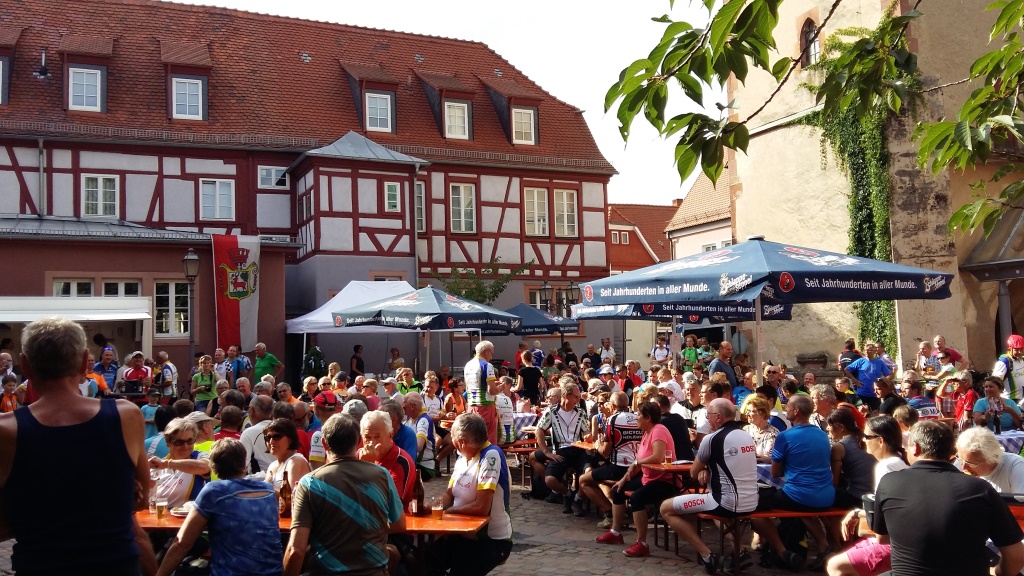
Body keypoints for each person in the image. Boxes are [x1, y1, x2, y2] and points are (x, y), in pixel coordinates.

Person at [0, 317, 155, 575]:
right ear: (85, 362)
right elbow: (139, 502)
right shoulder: (126, 416)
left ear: (24, 365)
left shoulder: (6, 431)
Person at [873, 420, 1024, 576]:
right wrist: (998, 573)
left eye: (907, 446)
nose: (964, 467)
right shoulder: (980, 489)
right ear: (951, 452)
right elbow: (1016, 555)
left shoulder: (888, 482)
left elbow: (882, 538)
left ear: (916, 448)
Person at [285, 413, 406, 576]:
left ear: (324, 443)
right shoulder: (382, 475)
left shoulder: (310, 483)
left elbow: (295, 550)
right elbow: (400, 524)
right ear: (358, 441)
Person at [155, 438, 282, 576]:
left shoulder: (215, 491)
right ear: (244, 463)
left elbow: (182, 543)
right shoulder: (268, 490)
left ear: (213, 467)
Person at [661, 398, 759, 573]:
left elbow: (693, 472)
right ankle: (740, 552)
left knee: (665, 508)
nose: (707, 420)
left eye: (708, 416)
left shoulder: (712, 439)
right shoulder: (746, 435)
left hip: (726, 502)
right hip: (752, 500)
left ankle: (707, 556)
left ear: (718, 417)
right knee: (715, 511)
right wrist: (707, 468)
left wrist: (703, 468)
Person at [751, 395, 835, 571]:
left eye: (788, 406)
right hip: (827, 495)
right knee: (803, 508)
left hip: (799, 496)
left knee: (753, 508)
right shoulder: (822, 435)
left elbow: (775, 473)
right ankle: (823, 544)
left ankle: (782, 551)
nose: (785, 409)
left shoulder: (785, 436)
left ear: (796, 411)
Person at [825, 415, 909, 576]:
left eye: (867, 436)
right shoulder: (897, 462)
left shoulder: (886, 467)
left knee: (835, 566)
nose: (863, 440)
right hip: (896, 540)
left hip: (893, 544)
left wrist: (857, 513)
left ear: (880, 441)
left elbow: (884, 514)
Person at [432, 413, 514, 576]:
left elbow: (481, 508)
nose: (451, 442)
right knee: (422, 560)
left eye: (452, 437)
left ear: (461, 441)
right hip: (462, 535)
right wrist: (432, 507)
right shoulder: (462, 457)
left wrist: (448, 513)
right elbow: (450, 495)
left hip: (490, 541)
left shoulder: (491, 455)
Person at [596, 401, 679, 558]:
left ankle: (642, 543)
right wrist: (624, 479)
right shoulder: (647, 432)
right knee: (617, 490)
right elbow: (640, 462)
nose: (636, 418)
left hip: (665, 480)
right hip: (649, 477)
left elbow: (657, 456)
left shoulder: (658, 430)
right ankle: (615, 532)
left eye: (639, 415)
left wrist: (636, 463)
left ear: (648, 418)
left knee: (637, 498)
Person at [580, 391, 642, 528]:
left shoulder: (612, 419)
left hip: (618, 468)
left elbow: (606, 451)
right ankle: (618, 511)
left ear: (612, 405)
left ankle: (609, 514)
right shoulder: (638, 418)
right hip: (637, 468)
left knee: (583, 480)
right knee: (600, 478)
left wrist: (597, 445)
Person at [535, 378, 591, 514]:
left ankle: (578, 498)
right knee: (550, 480)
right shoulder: (552, 411)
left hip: (579, 450)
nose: (578, 400)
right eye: (576, 397)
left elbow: (586, 432)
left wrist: (588, 436)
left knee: (590, 473)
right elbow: (539, 430)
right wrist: (546, 452)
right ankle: (568, 494)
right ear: (566, 396)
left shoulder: (580, 412)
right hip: (560, 451)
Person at [359, 410, 417, 508]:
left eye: (377, 437)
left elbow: (387, 505)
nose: (372, 443)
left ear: (390, 436)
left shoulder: (401, 462)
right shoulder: (359, 455)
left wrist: (367, 467)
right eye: (367, 437)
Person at [150, 417, 212, 508]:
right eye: (179, 442)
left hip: (189, 516)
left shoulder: (199, 457)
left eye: (190, 441)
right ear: (168, 442)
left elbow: (204, 467)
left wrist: (167, 464)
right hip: (161, 514)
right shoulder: (158, 466)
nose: (185, 446)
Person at [957, 426, 1024, 493]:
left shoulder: (1015, 466)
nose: (963, 467)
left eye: (970, 463)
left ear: (992, 459)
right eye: (960, 459)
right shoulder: (958, 464)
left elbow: (1020, 499)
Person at [465, 340, 502, 445]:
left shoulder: (468, 365)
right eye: (491, 353)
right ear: (487, 351)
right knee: (488, 440)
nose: (491, 357)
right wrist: (501, 388)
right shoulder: (487, 365)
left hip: (471, 406)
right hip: (485, 407)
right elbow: (492, 390)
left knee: (474, 439)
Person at [264, 417, 312, 495]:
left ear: (290, 439)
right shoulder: (272, 465)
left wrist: (266, 487)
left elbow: (291, 496)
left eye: (277, 437)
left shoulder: (296, 461)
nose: (271, 441)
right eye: (268, 437)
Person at [844, 342, 891, 412]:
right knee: (861, 412)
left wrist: (882, 382)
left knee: (875, 413)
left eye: (870, 350)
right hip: (861, 393)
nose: (867, 352)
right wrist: (854, 379)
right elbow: (846, 369)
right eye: (866, 350)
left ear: (875, 351)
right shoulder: (860, 361)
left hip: (875, 394)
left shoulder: (879, 362)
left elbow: (889, 374)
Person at [402, 393, 436, 480]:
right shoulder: (410, 420)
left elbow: (419, 447)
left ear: (412, 406)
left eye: (404, 405)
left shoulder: (423, 420)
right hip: (414, 463)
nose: (402, 407)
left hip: (424, 467)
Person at [240, 395, 276, 476]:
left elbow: (242, 464)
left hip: (259, 481)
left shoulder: (248, 433)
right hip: (284, 478)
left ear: (251, 410)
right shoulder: (284, 429)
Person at [741, 395, 778, 462]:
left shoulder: (774, 433)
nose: (747, 414)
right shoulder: (745, 430)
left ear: (762, 414)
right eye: (747, 411)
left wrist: (769, 460)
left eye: (751, 411)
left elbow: (780, 459)